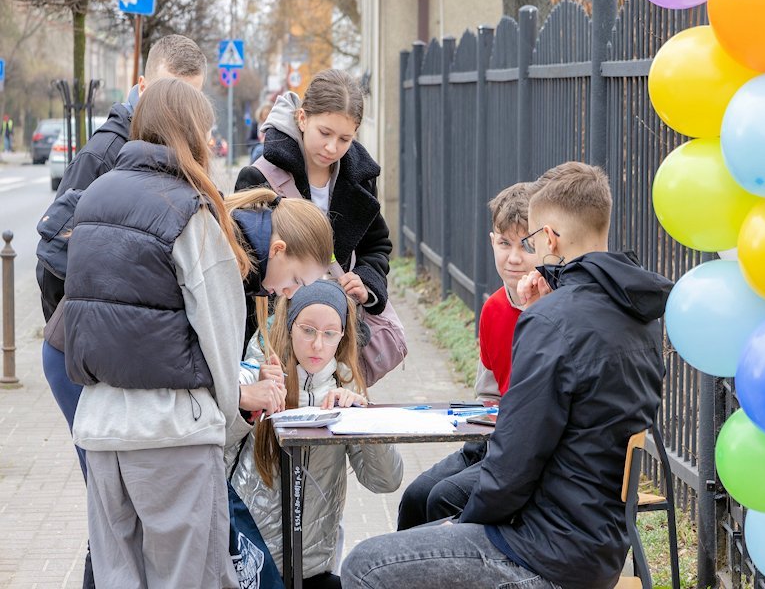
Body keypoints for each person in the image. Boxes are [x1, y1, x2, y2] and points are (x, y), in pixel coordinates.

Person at [341, 162, 674, 589]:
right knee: (419, 525)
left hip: (543, 551)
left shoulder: (554, 321)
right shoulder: (639, 316)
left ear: (549, 238)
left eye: (533, 239)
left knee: (364, 564)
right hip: (598, 543)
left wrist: (461, 526)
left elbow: (512, 465)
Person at [62, 77, 334, 587]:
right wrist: (237, 399)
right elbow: (219, 340)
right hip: (171, 435)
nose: (210, 144)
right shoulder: (192, 211)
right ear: (189, 133)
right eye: (206, 132)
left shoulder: (94, 197)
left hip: (99, 425)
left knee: (120, 576)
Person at [35, 34, 207, 589]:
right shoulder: (108, 152)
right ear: (142, 87)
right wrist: (93, 321)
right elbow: (52, 247)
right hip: (83, 354)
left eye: (192, 101)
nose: (179, 113)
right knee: (111, 514)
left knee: (119, 512)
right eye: (170, 96)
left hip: (108, 354)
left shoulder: (157, 155)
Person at [230, 280, 403, 589]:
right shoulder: (254, 373)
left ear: (342, 336)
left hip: (313, 568)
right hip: (250, 562)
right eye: (307, 330)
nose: (317, 346)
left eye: (329, 334)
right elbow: (215, 447)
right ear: (290, 325)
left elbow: (385, 481)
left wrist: (362, 420)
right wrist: (247, 404)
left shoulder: (347, 389)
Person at [396, 180, 545, 530]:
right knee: (416, 496)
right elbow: (489, 393)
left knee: (443, 498)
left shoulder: (553, 308)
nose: (513, 257)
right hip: (489, 442)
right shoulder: (493, 308)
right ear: (492, 241)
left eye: (526, 246)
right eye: (504, 243)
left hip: (523, 451)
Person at [235, 69, 392, 351]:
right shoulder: (261, 177)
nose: (332, 147)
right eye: (325, 133)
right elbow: (248, 267)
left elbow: (377, 245)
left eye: (345, 139)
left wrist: (367, 281)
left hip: (338, 336)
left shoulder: (362, 179)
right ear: (303, 118)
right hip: (278, 336)